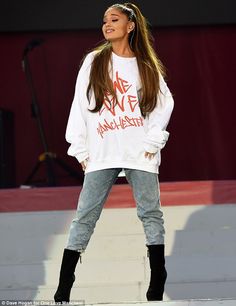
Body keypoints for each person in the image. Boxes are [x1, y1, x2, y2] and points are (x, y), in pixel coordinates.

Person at [54, 2, 174, 303]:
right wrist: (79, 146)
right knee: (85, 215)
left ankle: (158, 274)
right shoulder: (94, 61)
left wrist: (152, 142)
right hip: (102, 151)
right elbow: (79, 105)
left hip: (138, 151)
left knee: (150, 213)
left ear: (130, 25)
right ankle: (64, 284)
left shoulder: (145, 66)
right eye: (105, 20)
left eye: (114, 19)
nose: (107, 24)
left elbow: (164, 104)